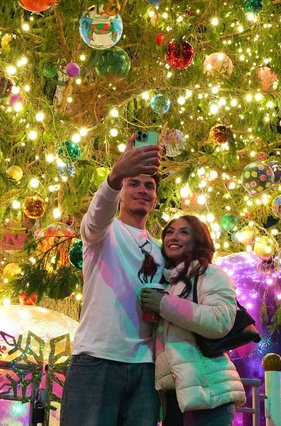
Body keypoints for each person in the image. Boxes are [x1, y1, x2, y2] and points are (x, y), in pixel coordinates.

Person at [60, 133, 163, 426]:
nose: (142, 190)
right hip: (96, 360)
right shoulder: (102, 233)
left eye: (149, 186)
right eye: (134, 183)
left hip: (145, 368)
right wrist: (116, 175)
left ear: (155, 197)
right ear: (120, 192)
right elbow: (96, 216)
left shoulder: (161, 250)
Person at [140, 215, 247, 426]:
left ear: (199, 239)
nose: (174, 237)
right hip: (175, 398)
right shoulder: (168, 282)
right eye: (169, 232)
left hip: (209, 396)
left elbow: (219, 321)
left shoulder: (211, 274)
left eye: (184, 232)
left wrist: (164, 305)